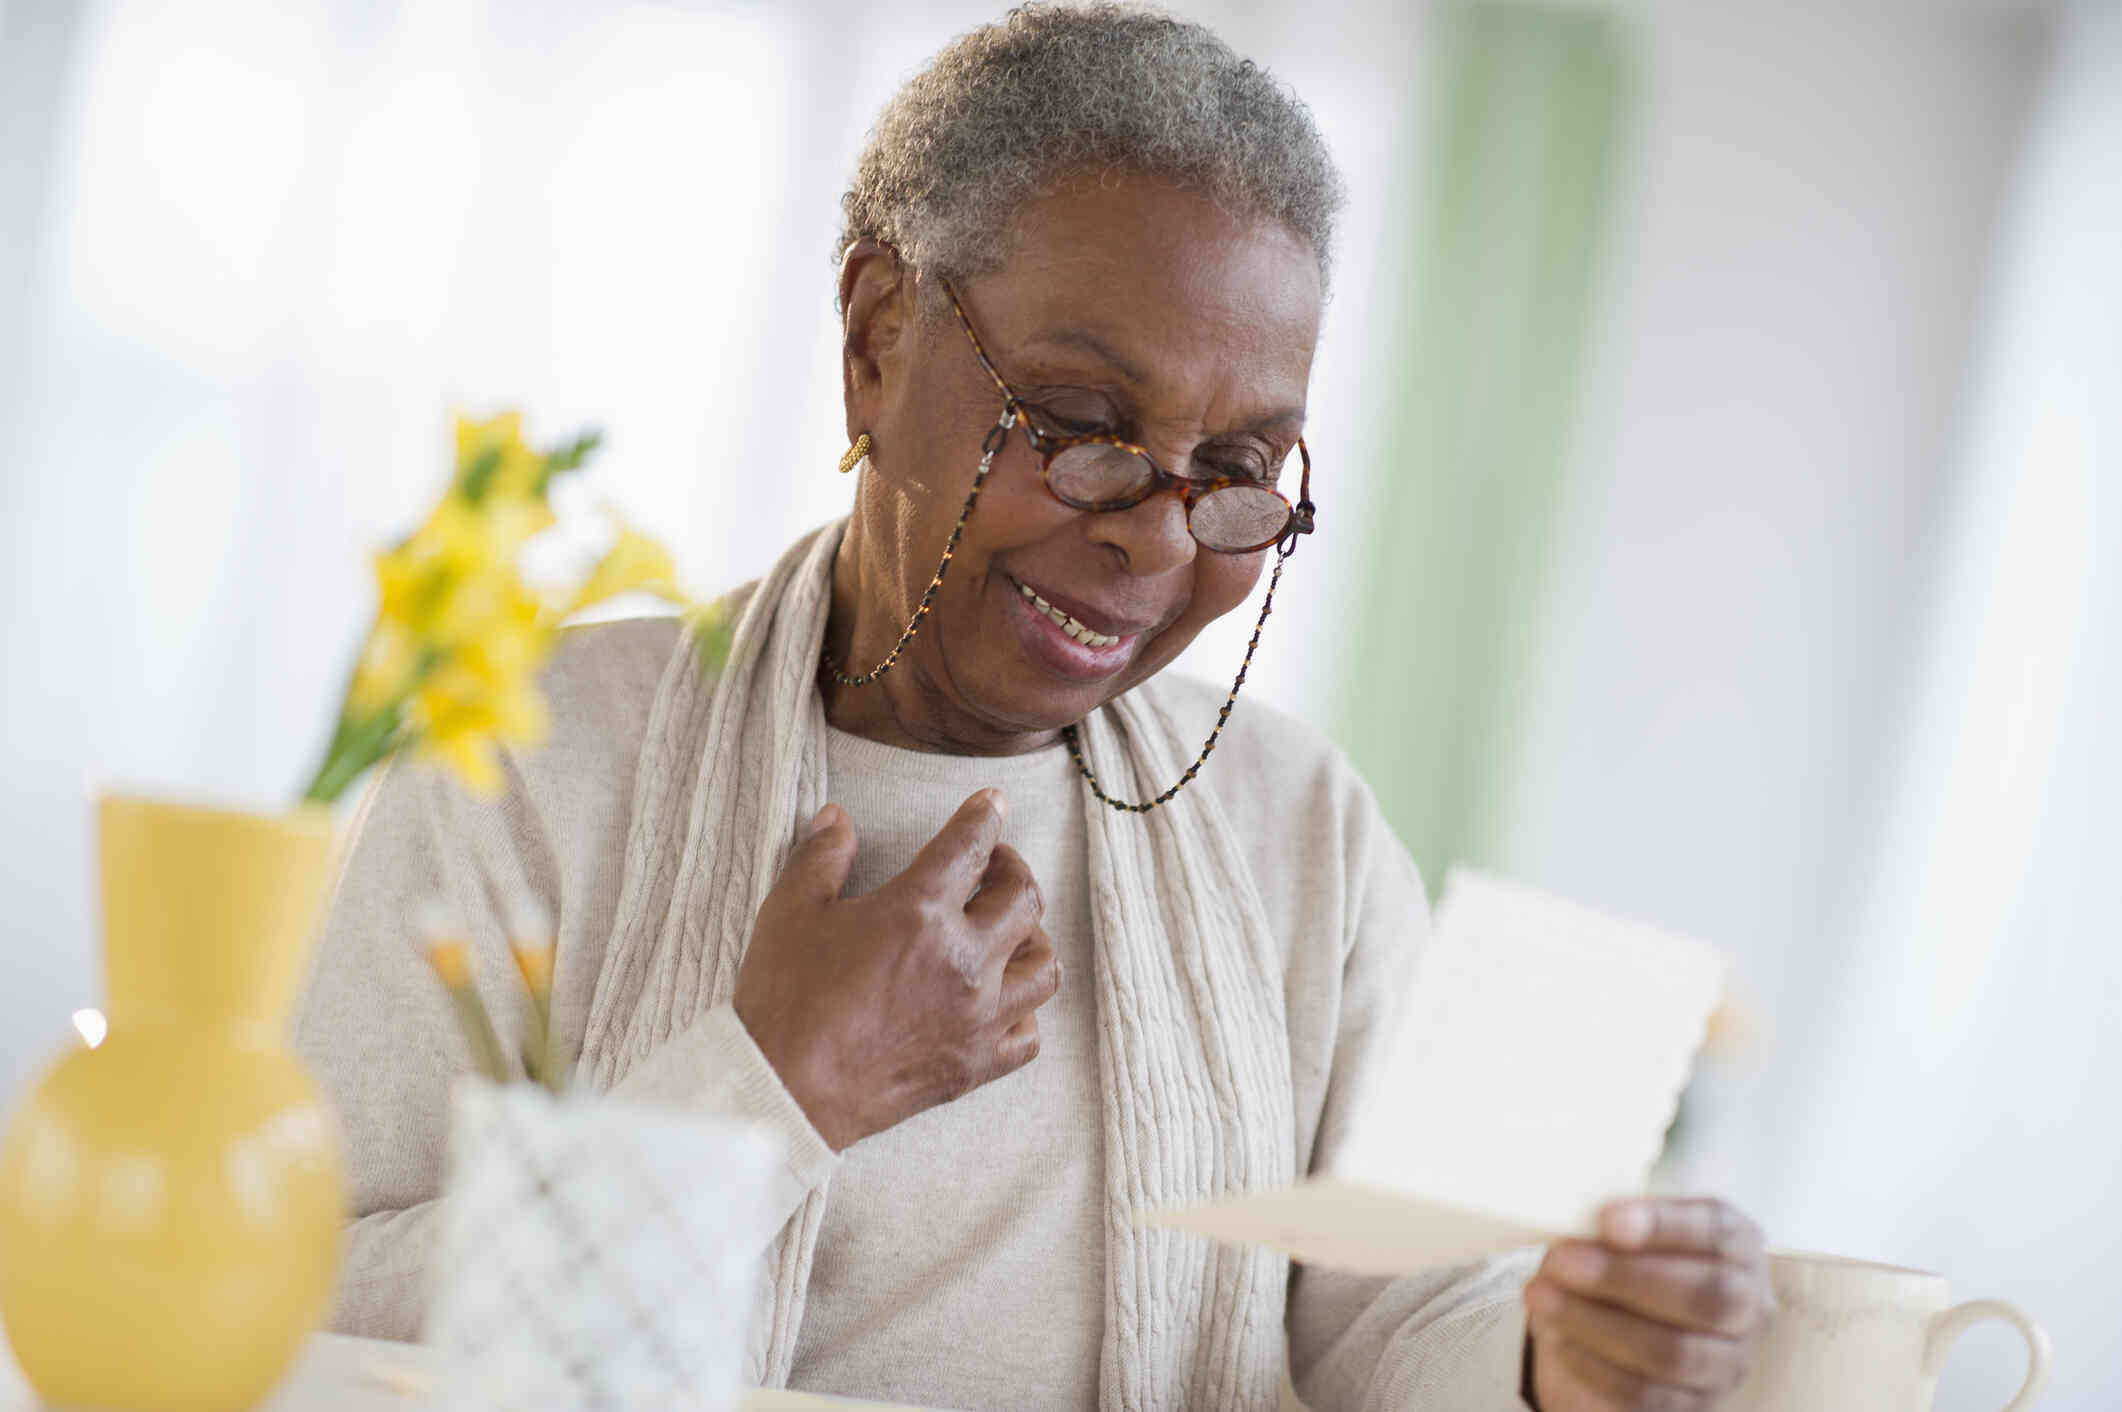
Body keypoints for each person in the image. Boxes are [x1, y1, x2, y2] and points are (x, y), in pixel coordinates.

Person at [297, 6, 1773, 1409]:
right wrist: (772, 1088)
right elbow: (311, 1300)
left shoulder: (1297, 824)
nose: (1157, 537)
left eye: (1244, 469)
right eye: (1079, 429)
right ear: (877, 338)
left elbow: (1411, 1312)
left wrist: (1559, 1361)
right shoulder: (540, 751)